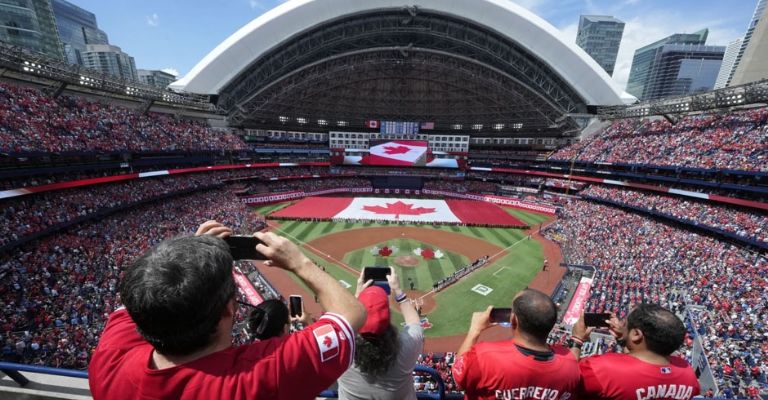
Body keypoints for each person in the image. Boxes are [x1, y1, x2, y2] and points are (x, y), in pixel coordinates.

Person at [88, 220, 366, 400]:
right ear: (228, 310)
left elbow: (149, 291)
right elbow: (351, 313)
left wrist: (192, 256)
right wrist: (300, 263)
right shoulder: (257, 378)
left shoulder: (108, 363)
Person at [452, 288, 580, 400]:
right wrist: (578, 340)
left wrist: (475, 330)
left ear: (513, 320)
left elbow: (458, 376)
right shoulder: (571, 366)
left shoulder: (486, 355)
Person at [572, 303, 701, 399]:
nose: (622, 326)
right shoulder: (688, 374)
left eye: (625, 324)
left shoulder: (602, 368)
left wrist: (577, 340)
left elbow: (565, 379)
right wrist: (624, 339)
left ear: (636, 334)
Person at [337, 267, 424, 400]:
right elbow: (415, 325)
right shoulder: (406, 348)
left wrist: (357, 296)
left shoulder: (340, 350)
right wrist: (398, 291)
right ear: (388, 316)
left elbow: (336, 325)